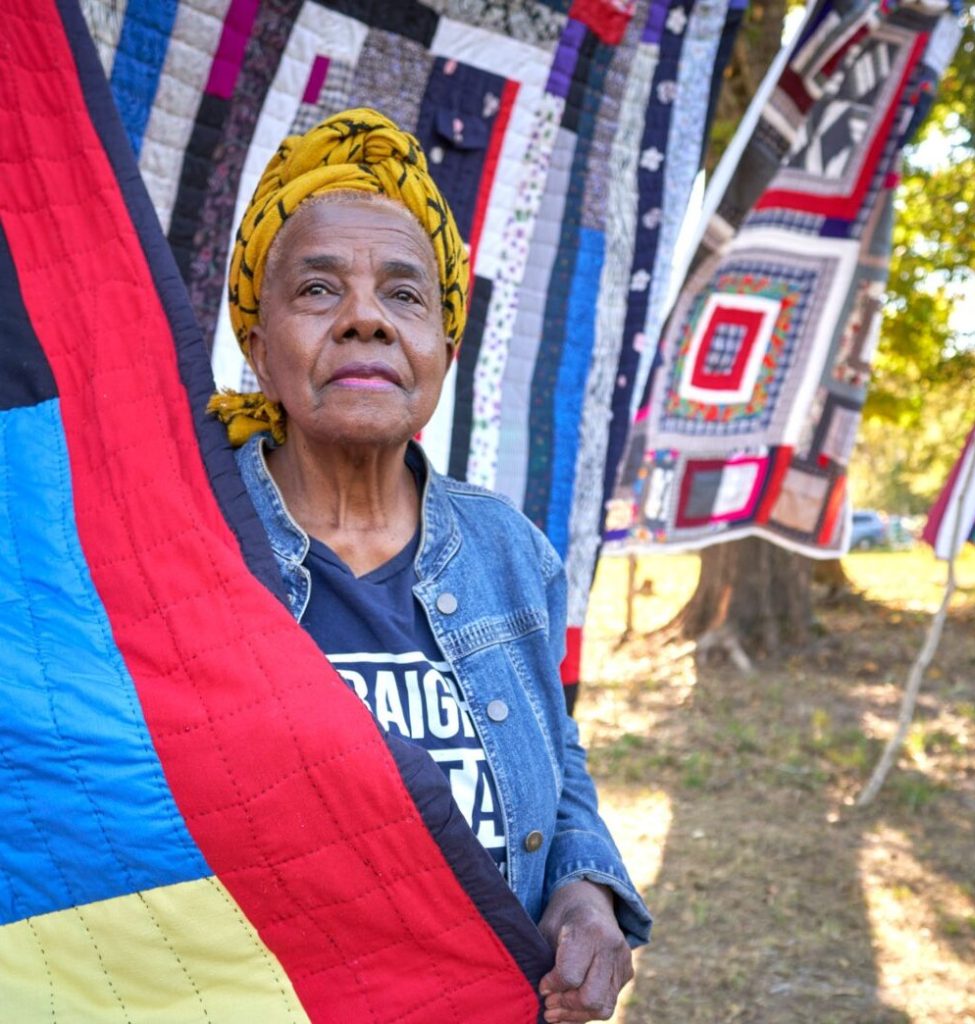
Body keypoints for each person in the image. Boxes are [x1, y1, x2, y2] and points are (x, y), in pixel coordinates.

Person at [209, 108, 651, 1023]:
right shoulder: (184, 540)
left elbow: (558, 771)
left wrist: (585, 889)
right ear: (258, 346)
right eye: (318, 290)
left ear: (445, 349)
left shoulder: (509, 552)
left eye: (405, 296)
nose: (366, 317)